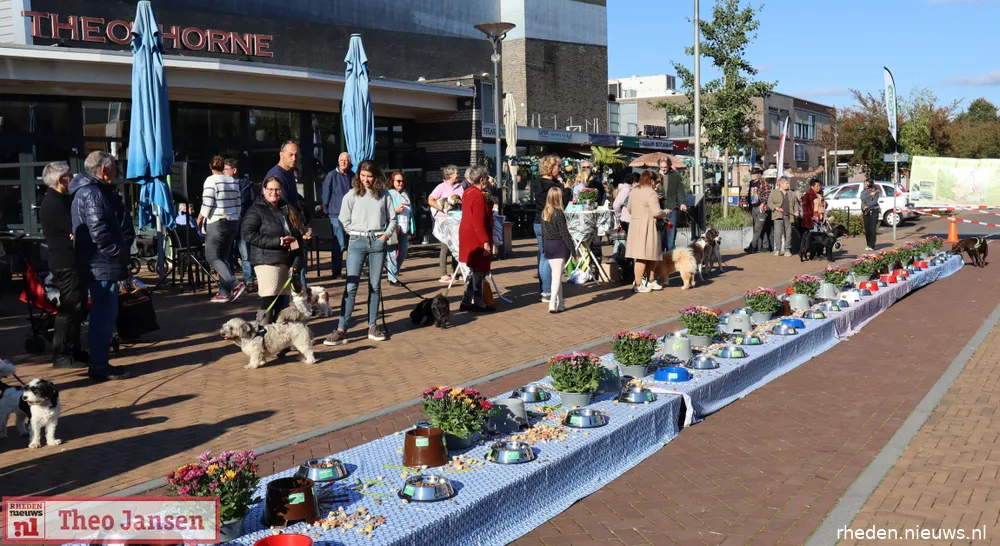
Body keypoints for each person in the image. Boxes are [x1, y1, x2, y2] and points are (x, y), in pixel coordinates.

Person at [69, 151, 135, 382]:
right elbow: (99, 231)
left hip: (100, 262)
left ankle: (100, 363)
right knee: (104, 316)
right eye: (115, 167)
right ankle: (98, 366)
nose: (117, 172)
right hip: (102, 263)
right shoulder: (92, 192)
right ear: (104, 169)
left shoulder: (92, 191)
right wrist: (119, 252)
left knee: (104, 315)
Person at [324, 161, 397, 346]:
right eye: (362, 176)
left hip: (377, 241)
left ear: (376, 177)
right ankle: (342, 329)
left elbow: (392, 219)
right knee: (351, 286)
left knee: (375, 286)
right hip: (357, 242)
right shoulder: (351, 195)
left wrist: (384, 237)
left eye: (369, 176)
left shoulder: (385, 195)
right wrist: (355, 233)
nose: (366, 180)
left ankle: (372, 326)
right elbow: (343, 219)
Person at [40, 162, 89, 369]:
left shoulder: (62, 200)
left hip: (72, 260)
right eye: (69, 175)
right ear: (61, 180)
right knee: (70, 308)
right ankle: (62, 355)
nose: (73, 178)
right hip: (65, 262)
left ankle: (74, 350)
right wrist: (76, 232)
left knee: (78, 307)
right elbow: (76, 228)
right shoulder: (54, 204)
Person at [242, 176, 301, 324]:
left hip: (285, 261)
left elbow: (296, 235)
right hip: (266, 260)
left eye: (277, 189)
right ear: (264, 190)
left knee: (281, 302)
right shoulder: (255, 210)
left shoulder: (286, 209)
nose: (274, 192)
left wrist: (296, 262)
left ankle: (278, 334)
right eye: (270, 189)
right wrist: (277, 241)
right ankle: (263, 332)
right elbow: (248, 235)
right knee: (269, 299)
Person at [197, 156, 245, 303]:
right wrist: (236, 217)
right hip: (233, 221)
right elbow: (238, 203)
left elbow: (208, 202)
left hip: (218, 222)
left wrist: (200, 217)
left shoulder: (210, 180)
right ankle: (224, 293)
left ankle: (235, 284)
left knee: (211, 257)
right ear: (223, 167)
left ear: (210, 166)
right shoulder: (232, 180)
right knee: (223, 258)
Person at [531, 155, 573, 303]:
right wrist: (567, 190)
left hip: (538, 221)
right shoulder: (553, 187)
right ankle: (547, 291)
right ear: (551, 168)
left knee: (543, 255)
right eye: (558, 167)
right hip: (550, 223)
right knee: (548, 257)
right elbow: (562, 204)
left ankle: (544, 289)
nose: (560, 169)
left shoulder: (537, 183)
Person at [458, 166, 495, 312]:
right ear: (482, 179)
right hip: (475, 236)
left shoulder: (468, 192)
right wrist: (485, 242)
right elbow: (478, 222)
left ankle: (467, 301)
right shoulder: (478, 196)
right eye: (486, 178)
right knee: (478, 269)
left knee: (473, 269)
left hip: (467, 234)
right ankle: (479, 302)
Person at [626, 170, 669, 293]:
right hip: (648, 226)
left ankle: (650, 281)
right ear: (652, 181)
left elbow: (629, 209)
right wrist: (665, 212)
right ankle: (638, 284)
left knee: (647, 255)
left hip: (635, 226)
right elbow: (656, 212)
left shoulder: (634, 192)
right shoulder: (652, 193)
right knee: (647, 255)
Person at [541, 187, 578, 313]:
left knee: (556, 275)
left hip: (548, 244)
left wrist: (543, 247)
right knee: (557, 276)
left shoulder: (544, 212)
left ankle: (561, 302)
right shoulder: (558, 213)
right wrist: (573, 249)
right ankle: (552, 302)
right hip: (558, 244)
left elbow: (543, 232)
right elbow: (564, 233)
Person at [428, 165, 464, 283]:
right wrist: (442, 209)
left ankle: (454, 272)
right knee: (445, 246)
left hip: (456, 220)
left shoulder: (460, 187)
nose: (458, 175)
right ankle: (443, 274)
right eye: (456, 173)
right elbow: (430, 200)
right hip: (443, 221)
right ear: (449, 175)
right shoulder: (441, 187)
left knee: (456, 245)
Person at [321, 152, 353, 278]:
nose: (343, 162)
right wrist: (327, 211)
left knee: (351, 244)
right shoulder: (331, 175)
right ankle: (337, 271)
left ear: (349, 162)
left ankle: (351, 270)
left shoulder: (352, 176)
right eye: (341, 160)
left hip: (351, 215)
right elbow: (325, 194)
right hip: (336, 215)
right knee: (339, 244)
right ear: (338, 162)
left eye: (346, 160)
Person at [226, 158, 257, 288]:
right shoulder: (223, 185)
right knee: (228, 254)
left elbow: (253, 204)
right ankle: (231, 282)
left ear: (234, 170)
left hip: (243, 223)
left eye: (226, 169)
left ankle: (249, 280)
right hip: (228, 222)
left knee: (245, 254)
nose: (224, 172)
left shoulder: (247, 185)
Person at [386, 170, 413, 287]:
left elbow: (410, 212)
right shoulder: (388, 194)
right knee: (392, 253)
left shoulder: (405, 194)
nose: (400, 183)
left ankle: (393, 275)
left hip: (405, 228)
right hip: (394, 228)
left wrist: (412, 227)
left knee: (403, 253)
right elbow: (384, 211)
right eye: (398, 181)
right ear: (392, 182)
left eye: (402, 181)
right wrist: (395, 210)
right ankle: (392, 278)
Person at [658, 158, 687, 252]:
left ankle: (671, 256)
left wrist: (682, 203)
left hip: (672, 207)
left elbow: (680, 191)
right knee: (660, 236)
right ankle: (660, 257)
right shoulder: (655, 175)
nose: (663, 169)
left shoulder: (676, 175)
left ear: (669, 166)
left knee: (671, 236)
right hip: (659, 208)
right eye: (661, 167)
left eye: (665, 167)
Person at [767, 176, 800, 257]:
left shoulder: (791, 193)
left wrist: (796, 210)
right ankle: (778, 249)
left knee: (788, 233)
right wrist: (776, 208)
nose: (788, 185)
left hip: (789, 216)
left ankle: (787, 249)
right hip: (778, 216)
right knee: (778, 233)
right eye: (786, 183)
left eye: (788, 183)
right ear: (781, 184)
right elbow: (769, 203)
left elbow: (796, 203)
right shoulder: (774, 192)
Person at [744, 168, 772, 253]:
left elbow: (768, 194)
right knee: (760, 228)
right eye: (752, 174)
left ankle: (752, 246)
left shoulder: (763, 182)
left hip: (762, 208)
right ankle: (766, 247)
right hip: (753, 208)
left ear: (758, 174)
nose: (753, 175)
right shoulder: (751, 183)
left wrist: (763, 203)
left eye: (754, 173)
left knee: (757, 228)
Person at [861, 177, 881, 251]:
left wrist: (868, 206)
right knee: (867, 229)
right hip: (865, 212)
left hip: (873, 211)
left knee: (872, 229)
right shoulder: (864, 191)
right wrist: (870, 194)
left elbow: (875, 201)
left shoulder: (876, 191)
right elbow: (862, 198)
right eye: (865, 183)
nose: (865, 185)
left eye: (867, 183)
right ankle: (868, 244)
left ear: (870, 183)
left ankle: (872, 246)